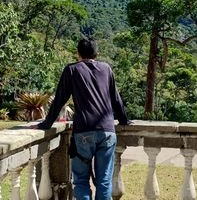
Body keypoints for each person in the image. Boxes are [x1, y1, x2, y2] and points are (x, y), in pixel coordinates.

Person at [35, 38, 130, 200]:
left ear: (77, 53)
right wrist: (124, 121)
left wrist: (46, 123)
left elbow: (59, 100)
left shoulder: (72, 70)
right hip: (107, 132)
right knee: (104, 181)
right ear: (96, 54)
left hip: (83, 132)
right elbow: (116, 100)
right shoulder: (106, 69)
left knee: (80, 181)